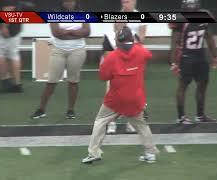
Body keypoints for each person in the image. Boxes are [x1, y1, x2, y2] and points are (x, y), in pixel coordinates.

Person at [82, 26, 158, 164]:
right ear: (131, 39)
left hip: (115, 100)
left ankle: (94, 153)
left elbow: (103, 77)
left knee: (100, 121)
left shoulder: (111, 57)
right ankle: (150, 153)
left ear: (117, 41)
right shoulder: (141, 51)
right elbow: (149, 55)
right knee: (141, 125)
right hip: (135, 98)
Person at [31, 0, 90, 120]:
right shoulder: (55, 14)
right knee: (51, 81)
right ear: (62, 2)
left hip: (77, 50)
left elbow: (87, 32)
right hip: (58, 50)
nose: (69, 3)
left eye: (71, 1)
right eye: (66, 1)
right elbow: (56, 33)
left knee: (73, 80)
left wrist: (68, 32)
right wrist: (76, 32)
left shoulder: (83, 13)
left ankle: (70, 110)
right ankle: (41, 109)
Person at [169, 0, 217, 124]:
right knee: (183, 85)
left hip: (199, 56)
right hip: (186, 56)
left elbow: (208, 36)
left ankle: (200, 115)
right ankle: (181, 117)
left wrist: (215, 55)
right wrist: (174, 62)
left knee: (201, 85)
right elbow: (175, 42)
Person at [106, 0, 148, 134]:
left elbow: (142, 38)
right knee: (112, 89)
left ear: (134, 2)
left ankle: (131, 122)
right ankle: (112, 122)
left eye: (128, 1)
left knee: (133, 91)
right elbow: (116, 33)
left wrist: (132, 43)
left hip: (134, 57)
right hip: (119, 56)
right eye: (123, 2)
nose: (125, 4)